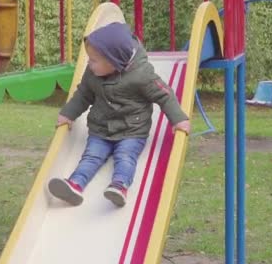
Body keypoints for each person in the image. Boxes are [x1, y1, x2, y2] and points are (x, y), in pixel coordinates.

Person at [48, 22, 190, 207]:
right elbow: (83, 95)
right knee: (91, 156)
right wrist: (68, 114)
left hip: (132, 130)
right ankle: (75, 185)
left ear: (114, 61)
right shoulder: (93, 73)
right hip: (101, 129)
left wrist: (178, 119)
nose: (89, 64)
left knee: (125, 156)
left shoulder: (141, 75)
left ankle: (120, 185)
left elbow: (164, 94)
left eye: (94, 60)